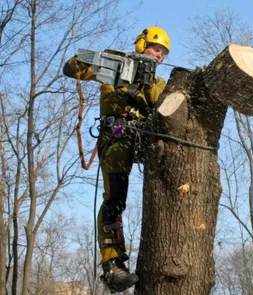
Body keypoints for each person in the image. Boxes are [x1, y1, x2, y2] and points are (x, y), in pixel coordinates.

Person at [63, 26, 170, 293]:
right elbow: (71, 69)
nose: (159, 55)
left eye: (163, 53)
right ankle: (113, 266)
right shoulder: (115, 69)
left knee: (170, 182)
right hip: (118, 136)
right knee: (115, 198)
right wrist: (102, 61)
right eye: (156, 48)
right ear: (141, 44)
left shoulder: (158, 84)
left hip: (146, 138)